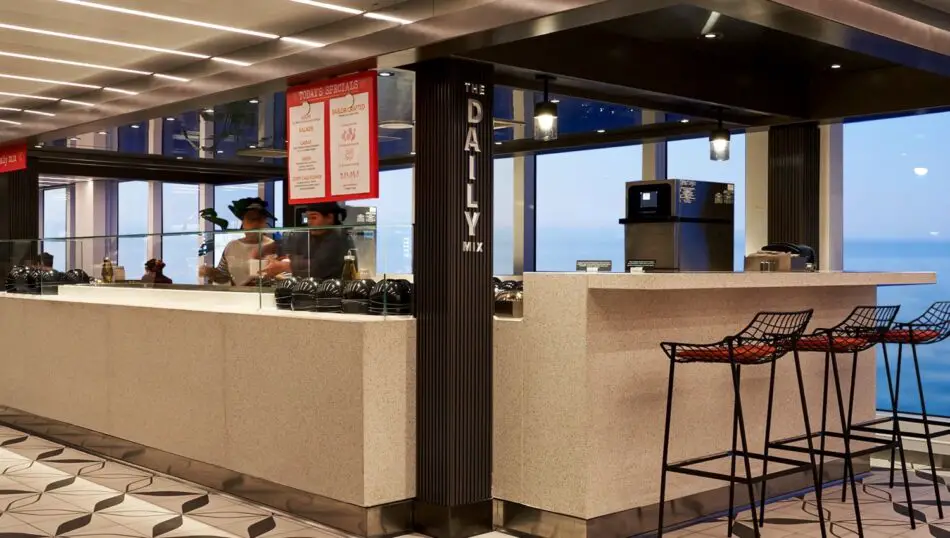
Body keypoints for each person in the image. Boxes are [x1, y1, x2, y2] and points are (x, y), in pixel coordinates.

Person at [265, 202, 353, 280]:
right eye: (308, 218)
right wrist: (270, 247)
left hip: (333, 291)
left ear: (330, 218)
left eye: (313, 217)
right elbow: (291, 243)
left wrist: (284, 266)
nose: (309, 222)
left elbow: (319, 266)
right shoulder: (312, 234)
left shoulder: (339, 237)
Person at [199, 197, 276, 286]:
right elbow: (224, 277)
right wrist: (211, 272)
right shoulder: (231, 246)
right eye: (251, 219)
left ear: (264, 222)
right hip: (238, 297)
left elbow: (284, 280)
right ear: (243, 222)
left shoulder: (272, 246)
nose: (255, 223)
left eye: (258, 219)